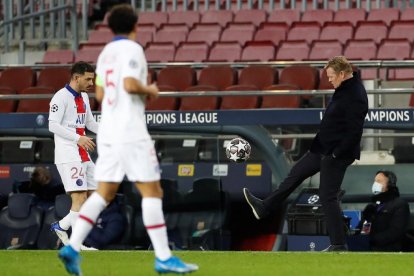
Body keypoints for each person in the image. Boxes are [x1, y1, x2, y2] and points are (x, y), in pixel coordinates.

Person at [58, 4, 198, 275]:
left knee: (104, 193)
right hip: (130, 132)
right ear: (136, 26)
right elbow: (130, 84)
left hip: (109, 131)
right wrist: (150, 89)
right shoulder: (132, 49)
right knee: (152, 191)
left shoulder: (106, 52)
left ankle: (72, 246)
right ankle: (164, 257)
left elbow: (99, 91)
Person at [243, 56, 368, 252]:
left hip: (335, 153)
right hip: (322, 148)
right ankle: (264, 207)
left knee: (327, 196)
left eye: (331, 76)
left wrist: (336, 154)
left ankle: (338, 244)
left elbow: (354, 131)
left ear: (343, 74)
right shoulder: (344, 89)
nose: (329, 80)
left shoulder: (355, 94)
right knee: (294, 175)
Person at [49, 61, 99, 249]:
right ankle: (77, 244)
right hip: (68, 155)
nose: (91, 83)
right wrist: (78, 138)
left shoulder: (84, 97)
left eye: (92, 79)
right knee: (79, 197)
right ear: (76, 78)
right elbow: (52, 125)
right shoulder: (60, 97)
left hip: (83, 154)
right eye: (88, 79)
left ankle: (61, 226)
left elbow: (90, 123)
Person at [355, 170, 410, 251]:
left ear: (389, 184)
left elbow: (396, 231)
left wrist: (371, 240)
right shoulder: (371, 206)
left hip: (390, 250)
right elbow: (362, 229)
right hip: (367, 248)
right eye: (375, 181)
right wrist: (367, 220)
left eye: (379, 181)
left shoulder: (400, 204)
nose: (375, 184)